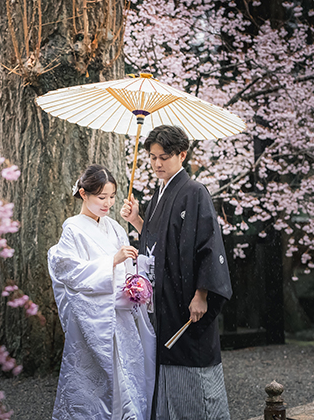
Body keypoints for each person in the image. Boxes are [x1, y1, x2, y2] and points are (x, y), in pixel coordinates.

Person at [120, 125, 233, 420]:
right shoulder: (158, 194)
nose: (157, 163)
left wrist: (202, 293)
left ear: (182, 155)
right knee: (165, 361)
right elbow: (159, 242)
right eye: (153, 157)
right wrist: (136, 220)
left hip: (186, 296)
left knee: (191, 362)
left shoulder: (194, 192)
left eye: (164, 157)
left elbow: (208, 244)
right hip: (164, 296)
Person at [48, 164, 156, 420]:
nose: (107, 203)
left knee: (127, 376)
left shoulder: (116, 228)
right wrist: (112, 261)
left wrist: (135, 282)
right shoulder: (73, 229)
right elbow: (67, 270)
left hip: (121, 314)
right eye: (101, 197)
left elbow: (128, 268)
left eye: (111, 197)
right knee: (96, 382)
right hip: (95, 317)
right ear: (83, 194)